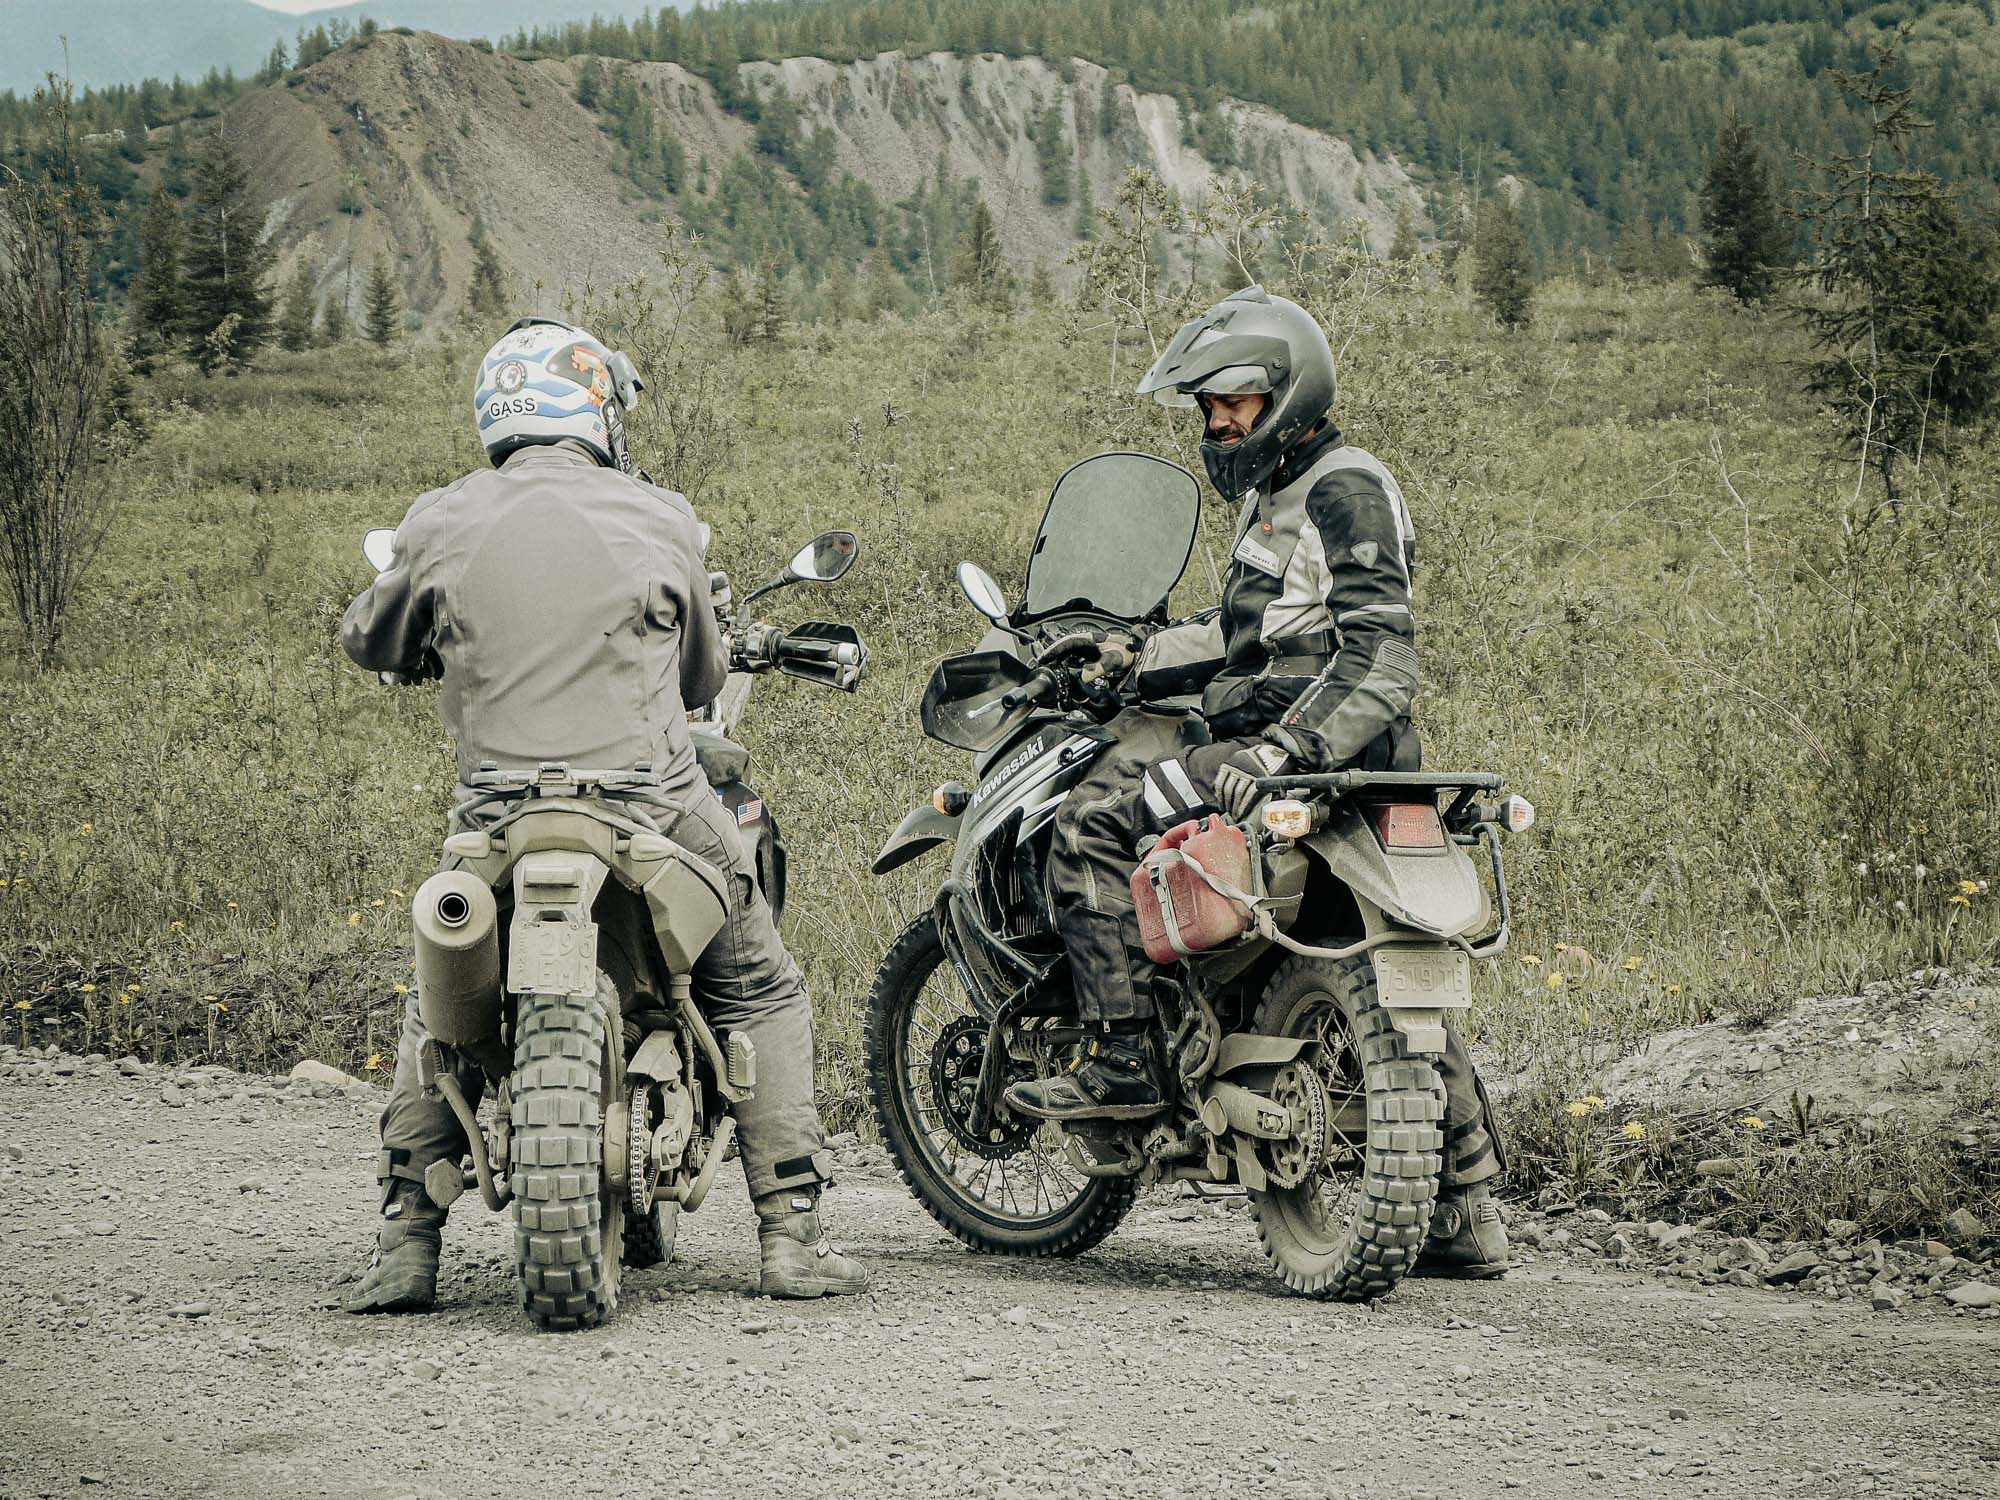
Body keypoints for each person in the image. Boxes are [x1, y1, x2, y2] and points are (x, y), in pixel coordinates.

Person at [338, 316, 866, 1310]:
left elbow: (370, 639)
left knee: (434, 1007)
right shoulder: (658, 514)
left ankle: (406, 1244)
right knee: (758, 981)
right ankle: (791, 1236)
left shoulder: (437, 516)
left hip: (496, 820)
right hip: (651, 808)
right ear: (596, 409)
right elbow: (705, 672)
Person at [1007, 286, 1508, 1277]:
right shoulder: (1277, 496)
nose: (1215, 421)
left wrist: (1275, 753)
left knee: (1090, 824)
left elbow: (1381, 658)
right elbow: (1242, 637)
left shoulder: (1341, 486)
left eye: (1229, 400)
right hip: (1310, 750)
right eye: (1205, 406)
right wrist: (1124, 657)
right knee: (1389, 983)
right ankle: (1464, 1208)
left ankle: (1120, 1057)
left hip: (1307, 754)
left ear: (1285, 391)